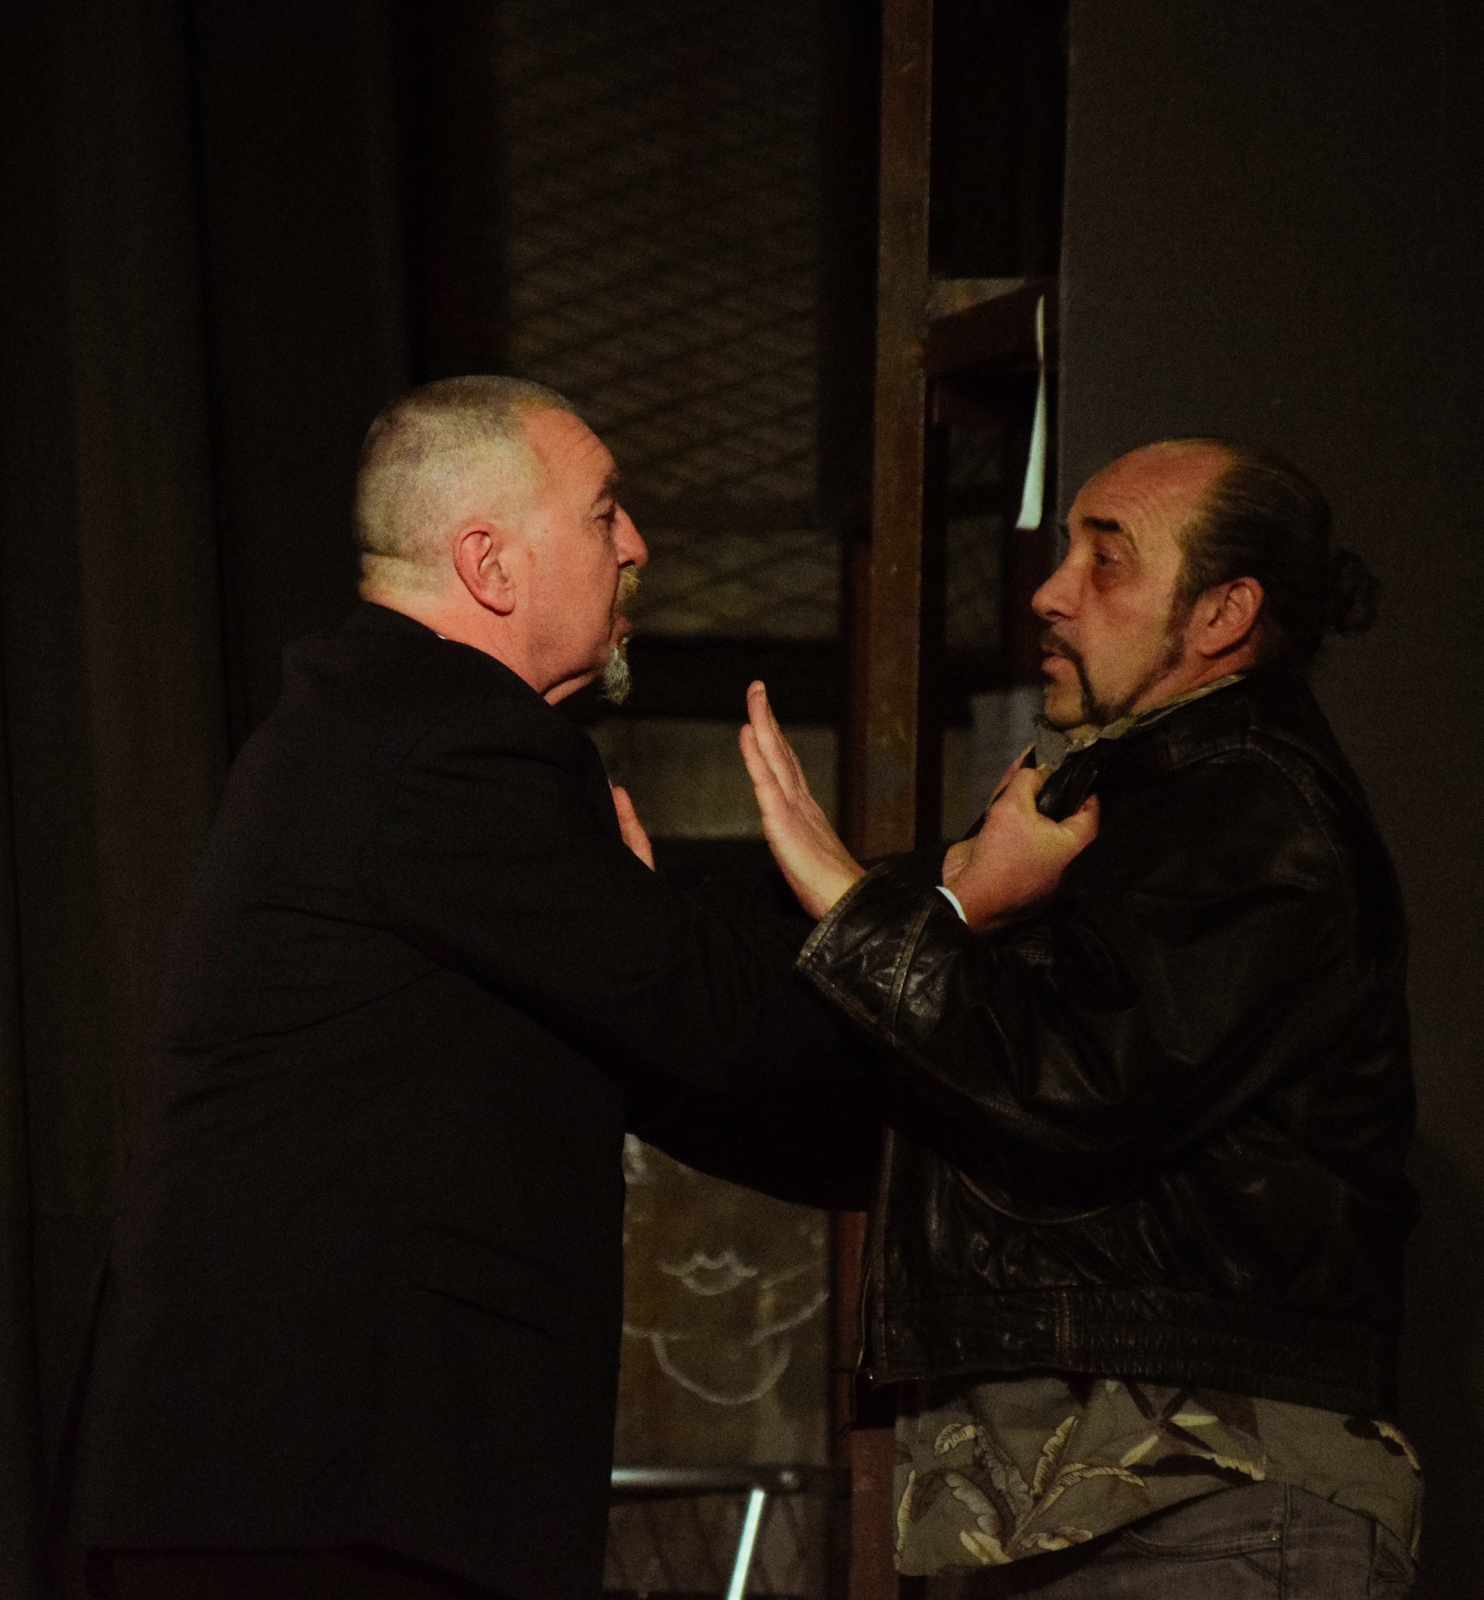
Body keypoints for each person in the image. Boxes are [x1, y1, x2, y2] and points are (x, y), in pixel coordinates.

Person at [57, 376, 1065, 1600]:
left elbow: (678, 1023)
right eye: (603, 513)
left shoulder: (382, 731)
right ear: (489, 563)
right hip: (323, 1494)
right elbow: (722, 1017)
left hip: (310, 1488)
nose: (635, 545)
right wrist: (959, 897)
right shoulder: (447, 744)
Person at [739, 438, 1423, 1597]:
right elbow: (926, 1097)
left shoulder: (1256, 810)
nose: (1051, 593)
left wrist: (868, 910)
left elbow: (1075, 1081)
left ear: (1224, 614)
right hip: (1112, 1505)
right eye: (1066, 551)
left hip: (1203, 1500)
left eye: (1108, 560)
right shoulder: (1137, 805)